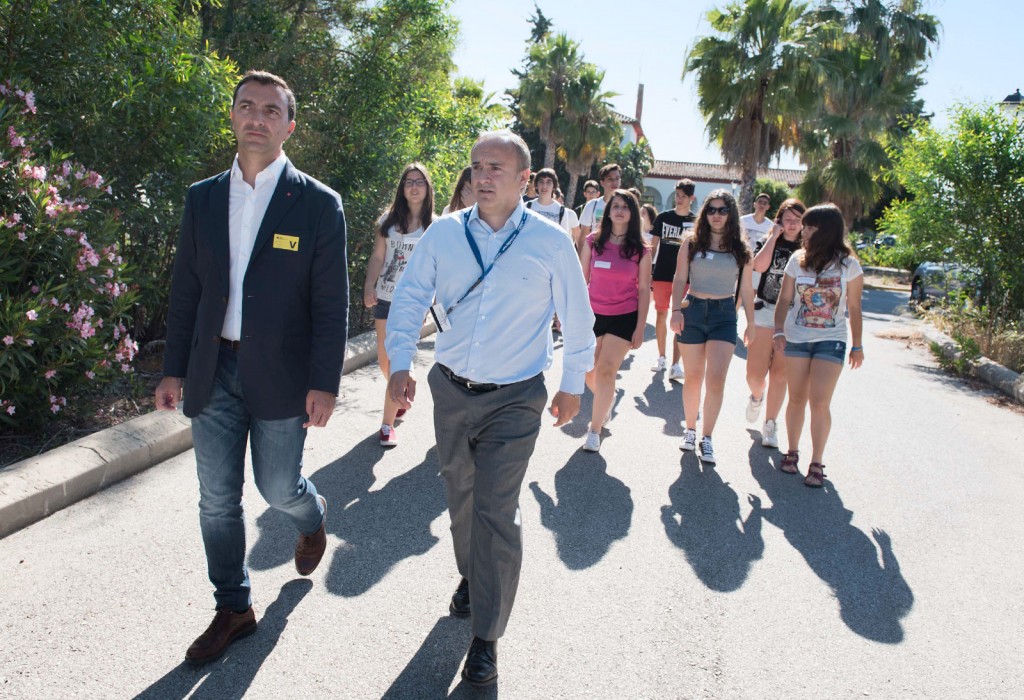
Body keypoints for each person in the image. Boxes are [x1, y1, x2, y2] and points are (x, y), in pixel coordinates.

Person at [385, 130, 595, 687]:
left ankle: (486, 636)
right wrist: (400, 363)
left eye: (496, 167)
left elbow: (578, 318)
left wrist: (572, 383)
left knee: (496, 510)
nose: (482, 175)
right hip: (451, 389)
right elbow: (408, 297)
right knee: (460, 497)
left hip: (516, 397)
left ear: (525, 180)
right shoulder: (445, 234)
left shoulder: (550, 242)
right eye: (477, 165)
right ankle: (473, 578)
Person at [155, 70, 348, 664]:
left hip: (282, 375)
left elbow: (329, 301)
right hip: (213, 369)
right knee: (216, 498)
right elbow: (186, 288)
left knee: (275, 486)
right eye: (247, 106)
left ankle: (311, 515)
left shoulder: (317, 204)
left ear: (290, 125)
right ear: (233, 116)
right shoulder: (203, 197)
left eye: (271, 109)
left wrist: (324, 383)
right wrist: (172, 367)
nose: (257, 117)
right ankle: (233, 607)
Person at [772, 203, 864, 487]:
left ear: (828, 231)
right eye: (805, 226)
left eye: (812, 227)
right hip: (797, 337)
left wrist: (857, 345)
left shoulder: (849, 264)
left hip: (831, 339)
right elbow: (785, 299)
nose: (805, 231)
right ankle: (792, 451)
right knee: (797, 398)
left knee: (820, 401)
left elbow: (855, 307)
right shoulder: (796, 260)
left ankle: (817, 461)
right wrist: (777, 330)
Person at [670, 189, 755, 463]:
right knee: (693, 378)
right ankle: (690, 430)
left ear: (731, 214)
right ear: (704, 213)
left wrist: (751, 324)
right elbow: (679, 278)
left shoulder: (741, 249)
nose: (716, 215)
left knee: (716, 380)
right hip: (692, 310)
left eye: (722, 210)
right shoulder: (691, 243)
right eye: (711, 209)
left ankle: (707, 437)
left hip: (723, 315)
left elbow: (746, 290)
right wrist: (674, 311)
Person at [363, 163, 435, 447]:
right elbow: (378, 258)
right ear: (402, 189)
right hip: (385, 297)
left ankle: (386, 425)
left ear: (428, 187)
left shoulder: (435, 226)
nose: (414, 186)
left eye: (419, 181)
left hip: (414, 302)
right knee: (385, 361)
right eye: (409, 182)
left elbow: (438, 268)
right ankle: (399, 390)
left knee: (397, 361)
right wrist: (369, 285)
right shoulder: (388, 222)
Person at [580, 190, 652, 452]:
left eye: (626, 207)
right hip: (593, 315)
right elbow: (581, 281)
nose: (620, 210)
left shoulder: (641, 250)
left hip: (624, 316)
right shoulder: (592, 241)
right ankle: (605, 401)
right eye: (616, 206)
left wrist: (640, 326)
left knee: (607, 369)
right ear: (608, 211)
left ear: (633, 214)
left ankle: (594, 430)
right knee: (589, 372)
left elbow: (644, 289)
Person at [743, 198, 805, 448]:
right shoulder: (770, 242)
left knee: (780, 375)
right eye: (787, 219)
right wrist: (774, 236)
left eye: (797, 220)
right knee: (754, 375)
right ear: (779, 220)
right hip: (766, 310)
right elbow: (758, 265)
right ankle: (757, 397)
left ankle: (770, 423)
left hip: (794, 316)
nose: (792, 225)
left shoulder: (808, 249)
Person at [650, 179, 696, 381]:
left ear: (691, 198)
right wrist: (646, 271)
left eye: (683, 196)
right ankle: (661, 357)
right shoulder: (663, 217)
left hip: (685, 277)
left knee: (680, 320)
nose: (678, 199)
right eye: (677, 195)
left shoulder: (696, 222)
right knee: (661, 314)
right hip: (661, 274)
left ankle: (676, 365)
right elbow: (652, 247)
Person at [527, 167, 581, 247]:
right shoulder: (526, 207)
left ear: (554, 186)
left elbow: (563, 240)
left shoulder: (562, 211)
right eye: (541, 182)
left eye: (549, 182)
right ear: (536, 185)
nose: (544, 186)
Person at [578, 164, 622, 241]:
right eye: (610, 179)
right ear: (602, 183)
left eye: (617, 178)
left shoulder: (627, 206)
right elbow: (583, 237)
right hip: (597, 250)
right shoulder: (592, 205)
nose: (614, 182)